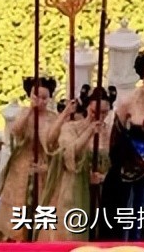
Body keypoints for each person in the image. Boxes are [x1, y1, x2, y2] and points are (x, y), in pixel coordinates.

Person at [97, 39, 144, 241]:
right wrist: (141, 165)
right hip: (132, 174)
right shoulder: (127, 103)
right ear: (142, 76)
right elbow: (117, 144)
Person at [36, 85, 115, 241]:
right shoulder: (70, 128)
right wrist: (89, 131)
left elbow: (110, 161)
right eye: (95, 112)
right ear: (87, 108)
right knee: (70, 233)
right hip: (73, 187)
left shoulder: (108, 131)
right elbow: (69, 153)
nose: (100, 116)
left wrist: (102, 176)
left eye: (105, 112)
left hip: (98, 191)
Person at [0, 76, 58, 241]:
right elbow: (16, 131)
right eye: (36, 96)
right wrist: (30, 112)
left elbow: (53, 143)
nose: (40, 101)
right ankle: (14, 236)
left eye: (44, 98)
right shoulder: (24, 113)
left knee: (44, 200)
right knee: (18, 199)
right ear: (30, 95)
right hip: (23, 162)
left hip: (43, 163)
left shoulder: (53, 118)